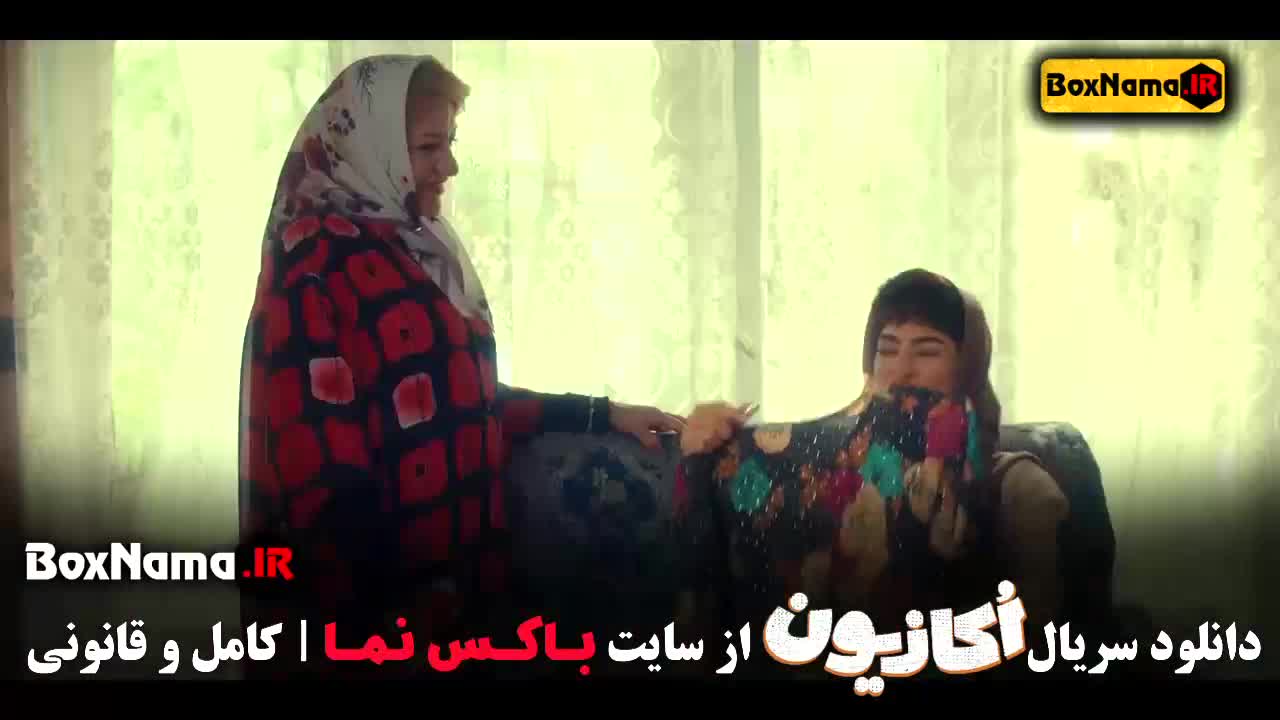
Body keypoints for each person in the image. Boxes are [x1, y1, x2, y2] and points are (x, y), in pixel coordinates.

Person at [237, 55, 685, 676]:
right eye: (428, 147)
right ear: (368, 147)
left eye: (449, 143)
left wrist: (603, 414)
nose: (448, 166)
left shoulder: (417, 246)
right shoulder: (312, 268)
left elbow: (461, 401)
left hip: (461, 613)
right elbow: (324, 490)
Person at [678, 269, 1071, 670]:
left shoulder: (1020, 488)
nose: (900, 372)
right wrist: (704, 448)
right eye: (887, 350)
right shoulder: (832, 471)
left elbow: (1035, 643)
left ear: (966, 371)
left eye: (927, 352)